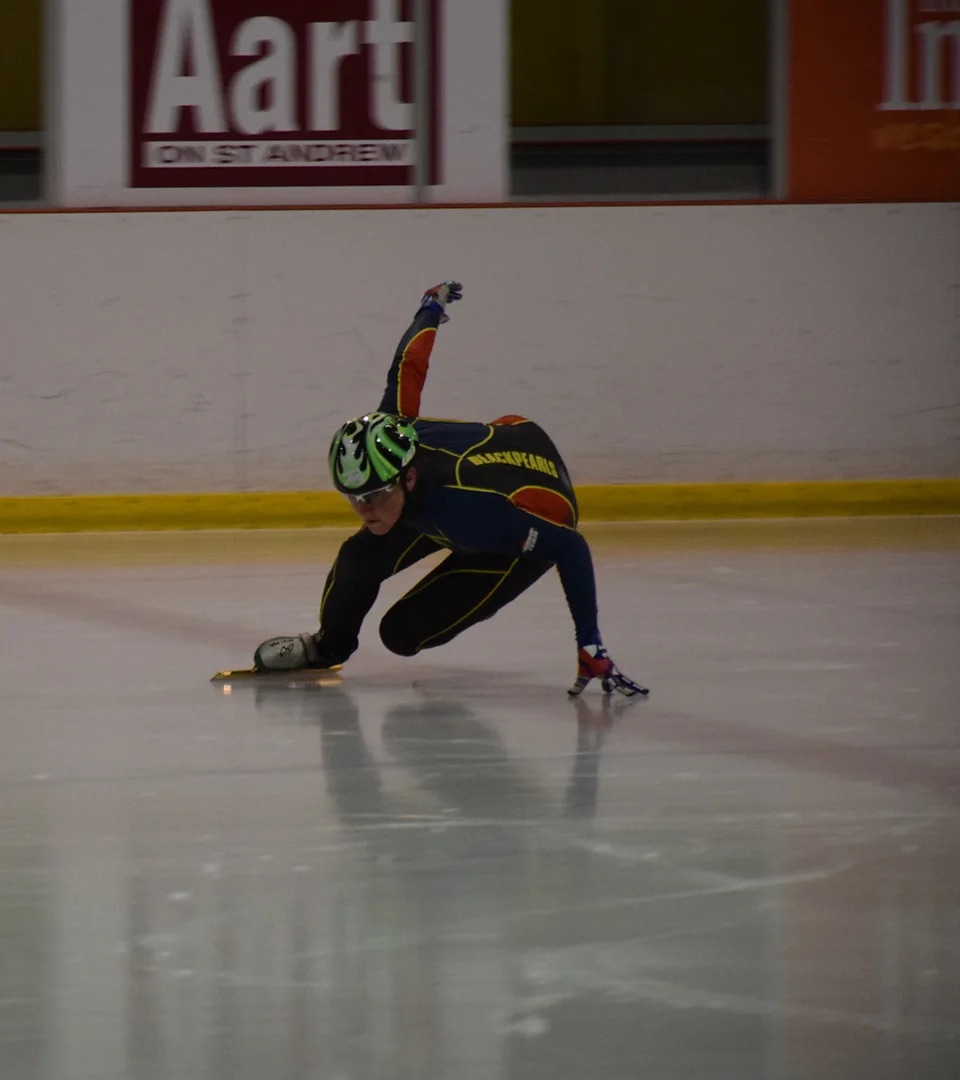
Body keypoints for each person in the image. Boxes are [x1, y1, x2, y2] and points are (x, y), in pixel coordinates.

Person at [254, 282, 648, 698]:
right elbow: (409, 363)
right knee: (360, 554)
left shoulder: (470, 512)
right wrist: (430, 308)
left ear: (406, 477)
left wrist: (590, 644)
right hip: (493, 460)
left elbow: (570, 546)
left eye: (373, 496)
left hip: (529, 515)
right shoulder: (394, 429)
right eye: (354, 498)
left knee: (401, 635)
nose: (364, 509)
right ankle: (327, 647)